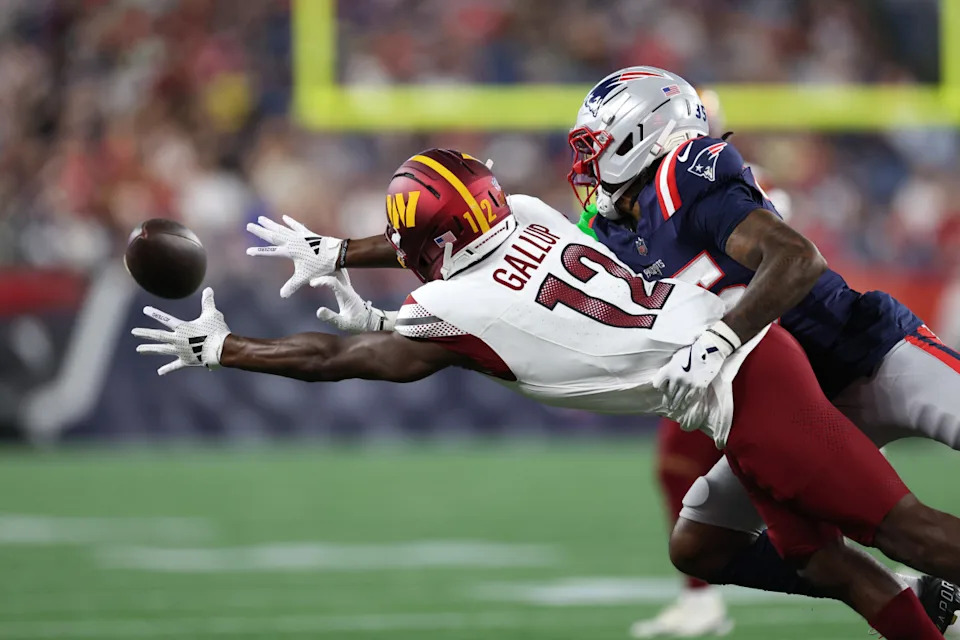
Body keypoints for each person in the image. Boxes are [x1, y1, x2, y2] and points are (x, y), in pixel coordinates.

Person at [136, 148, 960, 639]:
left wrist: (227, 347)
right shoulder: (527, 212)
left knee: (910, 532)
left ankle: (926, 590)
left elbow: (338, 358)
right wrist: (342, 255)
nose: (398, 245)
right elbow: (436, 241)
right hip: (740, 361)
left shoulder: (449, 307)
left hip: (740, 389)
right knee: (716, 548)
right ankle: (924, 612)